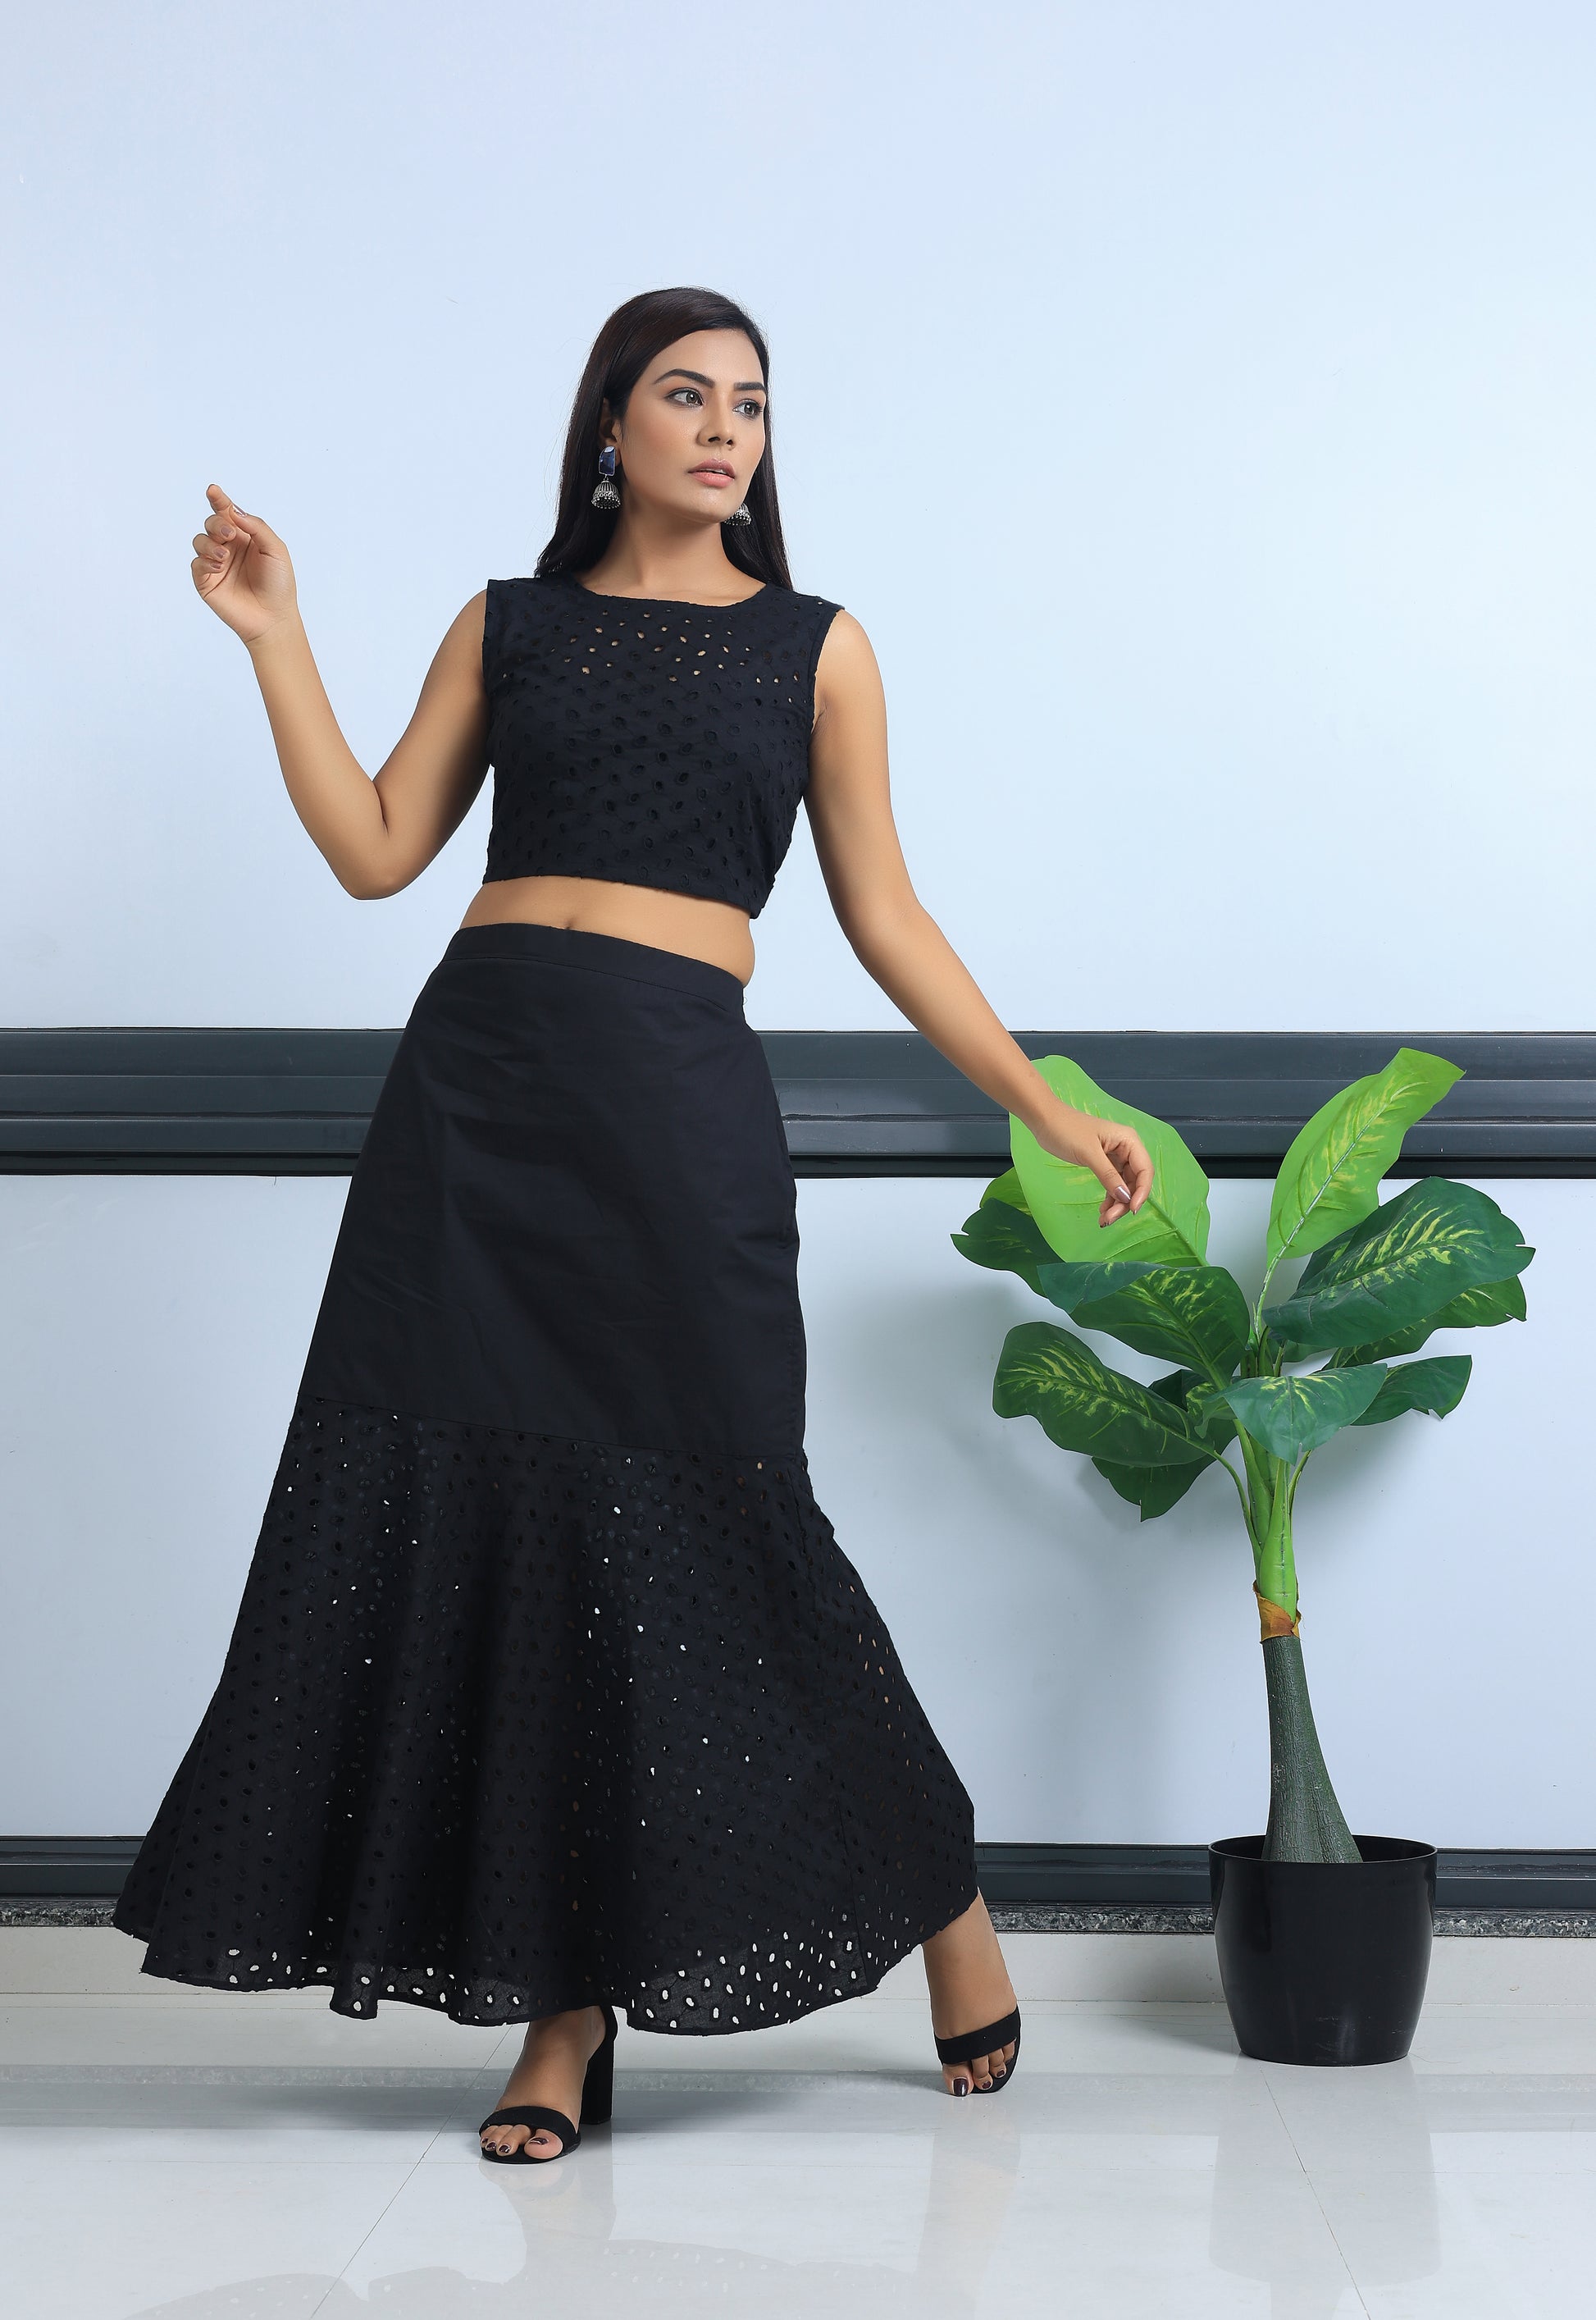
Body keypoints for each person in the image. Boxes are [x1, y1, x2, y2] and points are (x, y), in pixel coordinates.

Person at [113, 285, 1154, 2165]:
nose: (725, 429)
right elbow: (375, 846)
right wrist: (276, 637)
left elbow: (887, 915)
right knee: (513, 1546)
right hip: (476, 1108)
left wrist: (1040, 1100)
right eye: (687, 395)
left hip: (673, 1113)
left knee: (734, 1521)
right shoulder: (507, 624)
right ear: (611, 421)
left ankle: (940, 1891)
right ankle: (562, 2014)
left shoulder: (816, 650)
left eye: (750, 403)